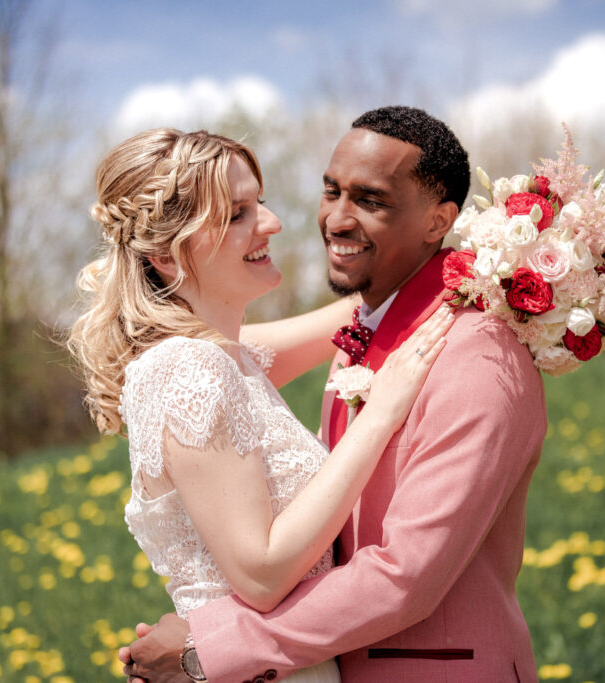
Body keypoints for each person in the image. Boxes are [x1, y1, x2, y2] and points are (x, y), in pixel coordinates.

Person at [122, 106, 548, 682]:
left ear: (438, 220)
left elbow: (406, 575)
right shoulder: (346, 341)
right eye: (331, 192)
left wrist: (208, 647)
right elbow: (192, 361)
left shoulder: (477, 355)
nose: (334, 219)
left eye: (370, 200)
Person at [67, 127, 454, 683]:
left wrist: (492, 259)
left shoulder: (230, 357)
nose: (270, 223)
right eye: (237, 213)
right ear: (166, 256)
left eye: (261, 203)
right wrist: (383, 412)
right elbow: (262, 575)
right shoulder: (188, 369)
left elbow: (361, 313)